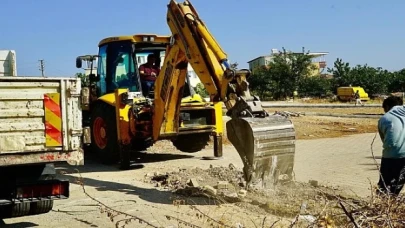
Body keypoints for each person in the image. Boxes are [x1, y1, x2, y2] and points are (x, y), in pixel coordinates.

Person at [377, 95, 405, 196]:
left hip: (392, 157)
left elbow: (386, 141)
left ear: (387, 107)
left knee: (386, 188)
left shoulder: (385, 119)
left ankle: (384, 207)